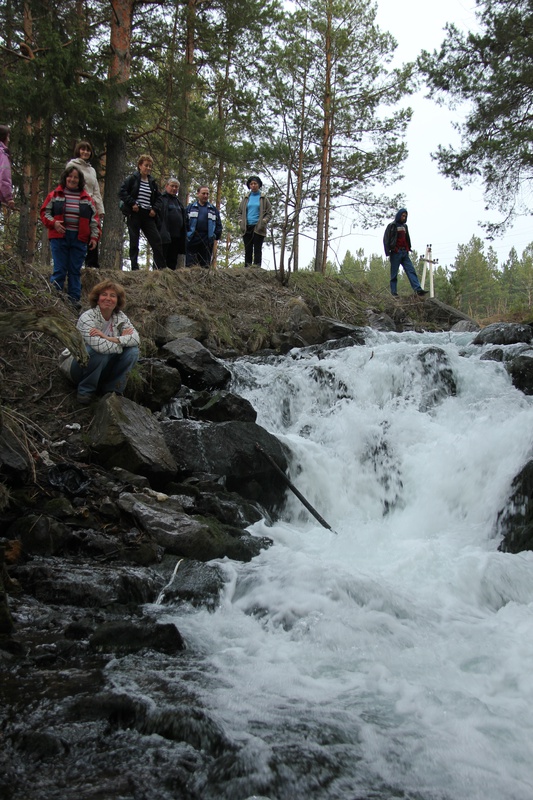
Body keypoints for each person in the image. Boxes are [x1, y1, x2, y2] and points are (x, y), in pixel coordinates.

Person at [69, 280, 140, 405]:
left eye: (113, 296)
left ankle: (112, 391)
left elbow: (136, 339)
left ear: (117, 301)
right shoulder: (87, 317)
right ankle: (86, 391)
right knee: (98, 352)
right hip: (79, 368)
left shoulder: (120, 317)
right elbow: (99, 347)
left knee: (133, 351)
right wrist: (122, 342)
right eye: (104, 295)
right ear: (97, 299)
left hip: (103, 368)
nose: (108, 298)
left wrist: (111, 338)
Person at [40, 166, 100, 309]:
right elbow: (44, 213)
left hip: (79, 238)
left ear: (80, 181)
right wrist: (54, 223)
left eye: (76, 177)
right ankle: (55, 301)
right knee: (60, 269)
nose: (72, 180)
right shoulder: (55, 195)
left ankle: (74, 303)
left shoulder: (87, 198)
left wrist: (94, 237)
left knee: (75, 270)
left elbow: (94, 220)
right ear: (65, 178)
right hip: (59, 237)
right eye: (70, 177)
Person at [119, 154, 166, 271]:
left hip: (148, 215)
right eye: (146, 166)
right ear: (140, 166)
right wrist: (132, 203)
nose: (148, 168)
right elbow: (122, 191)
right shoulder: (132, 179)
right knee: (134, 240)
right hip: (135, 213)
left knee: (156, 240)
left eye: (150, 166)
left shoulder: (152, 182)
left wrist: (154, 209)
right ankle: (134, 267)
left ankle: (161, 268)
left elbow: (159, 198)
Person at [66, 140, 105, 268]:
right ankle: (72, 262)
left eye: (88, 150)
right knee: (78, 232)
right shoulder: (72, 165)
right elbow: (68, 183)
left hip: (90, 203)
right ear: (78, 150)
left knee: (93, 232)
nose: (85, 152)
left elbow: (96, 190)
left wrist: (100, 209)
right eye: (83, 149)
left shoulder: (92, 170)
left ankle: (92, 264)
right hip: (76, 201)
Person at [383, 208, 428, 297]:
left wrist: (408, 248)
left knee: (411, 270)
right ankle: (394, 293)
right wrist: (388, 252)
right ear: (399, 215)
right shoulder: (392, 226)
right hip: (395, 252)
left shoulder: (405, 226)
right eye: (402, 215)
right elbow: (386, 239)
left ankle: (418, 290)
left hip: (404, 252)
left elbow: (407, 238)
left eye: (405, 216)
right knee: (394, 274)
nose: (404, 217)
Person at [238, 175, 272, 268]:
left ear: (259, 185)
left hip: (258, 227)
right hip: (246, 227)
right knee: (248, 250)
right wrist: (240, 222)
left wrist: (264, 221)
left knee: (257, 250)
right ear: (249, 186)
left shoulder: (263, 198)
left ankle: (257, 270)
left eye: (255, 183)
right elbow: (239, 212)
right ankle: (247, 270)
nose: (253, 185)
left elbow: (269, 213)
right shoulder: (245, 199)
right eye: (251, 184)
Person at [186, 185, 222, 268]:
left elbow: (218, 225)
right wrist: (187, 234)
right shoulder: (190, 208)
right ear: (198, 194)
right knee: (190, 265)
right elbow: (185, 222)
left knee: (205, 265)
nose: (205, 196)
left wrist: (215, 236)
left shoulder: (213, 209)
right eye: (203, 193)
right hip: (192, 238)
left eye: (207, 194)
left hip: (207, 240)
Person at [159, 178, 187, 270]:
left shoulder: (178, 202)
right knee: (162, 260)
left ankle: (171, 280)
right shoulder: (161, 199)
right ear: (166, 186)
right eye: (172, 186)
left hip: (176, 236)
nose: (174, 188)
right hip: (164, 235)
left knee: (173, 260)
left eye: (176, 187)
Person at [0, 125, 15, 213]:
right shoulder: (2, 153)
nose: (9, 140)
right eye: (8, 137)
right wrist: (8, 197)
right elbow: (4, 176)